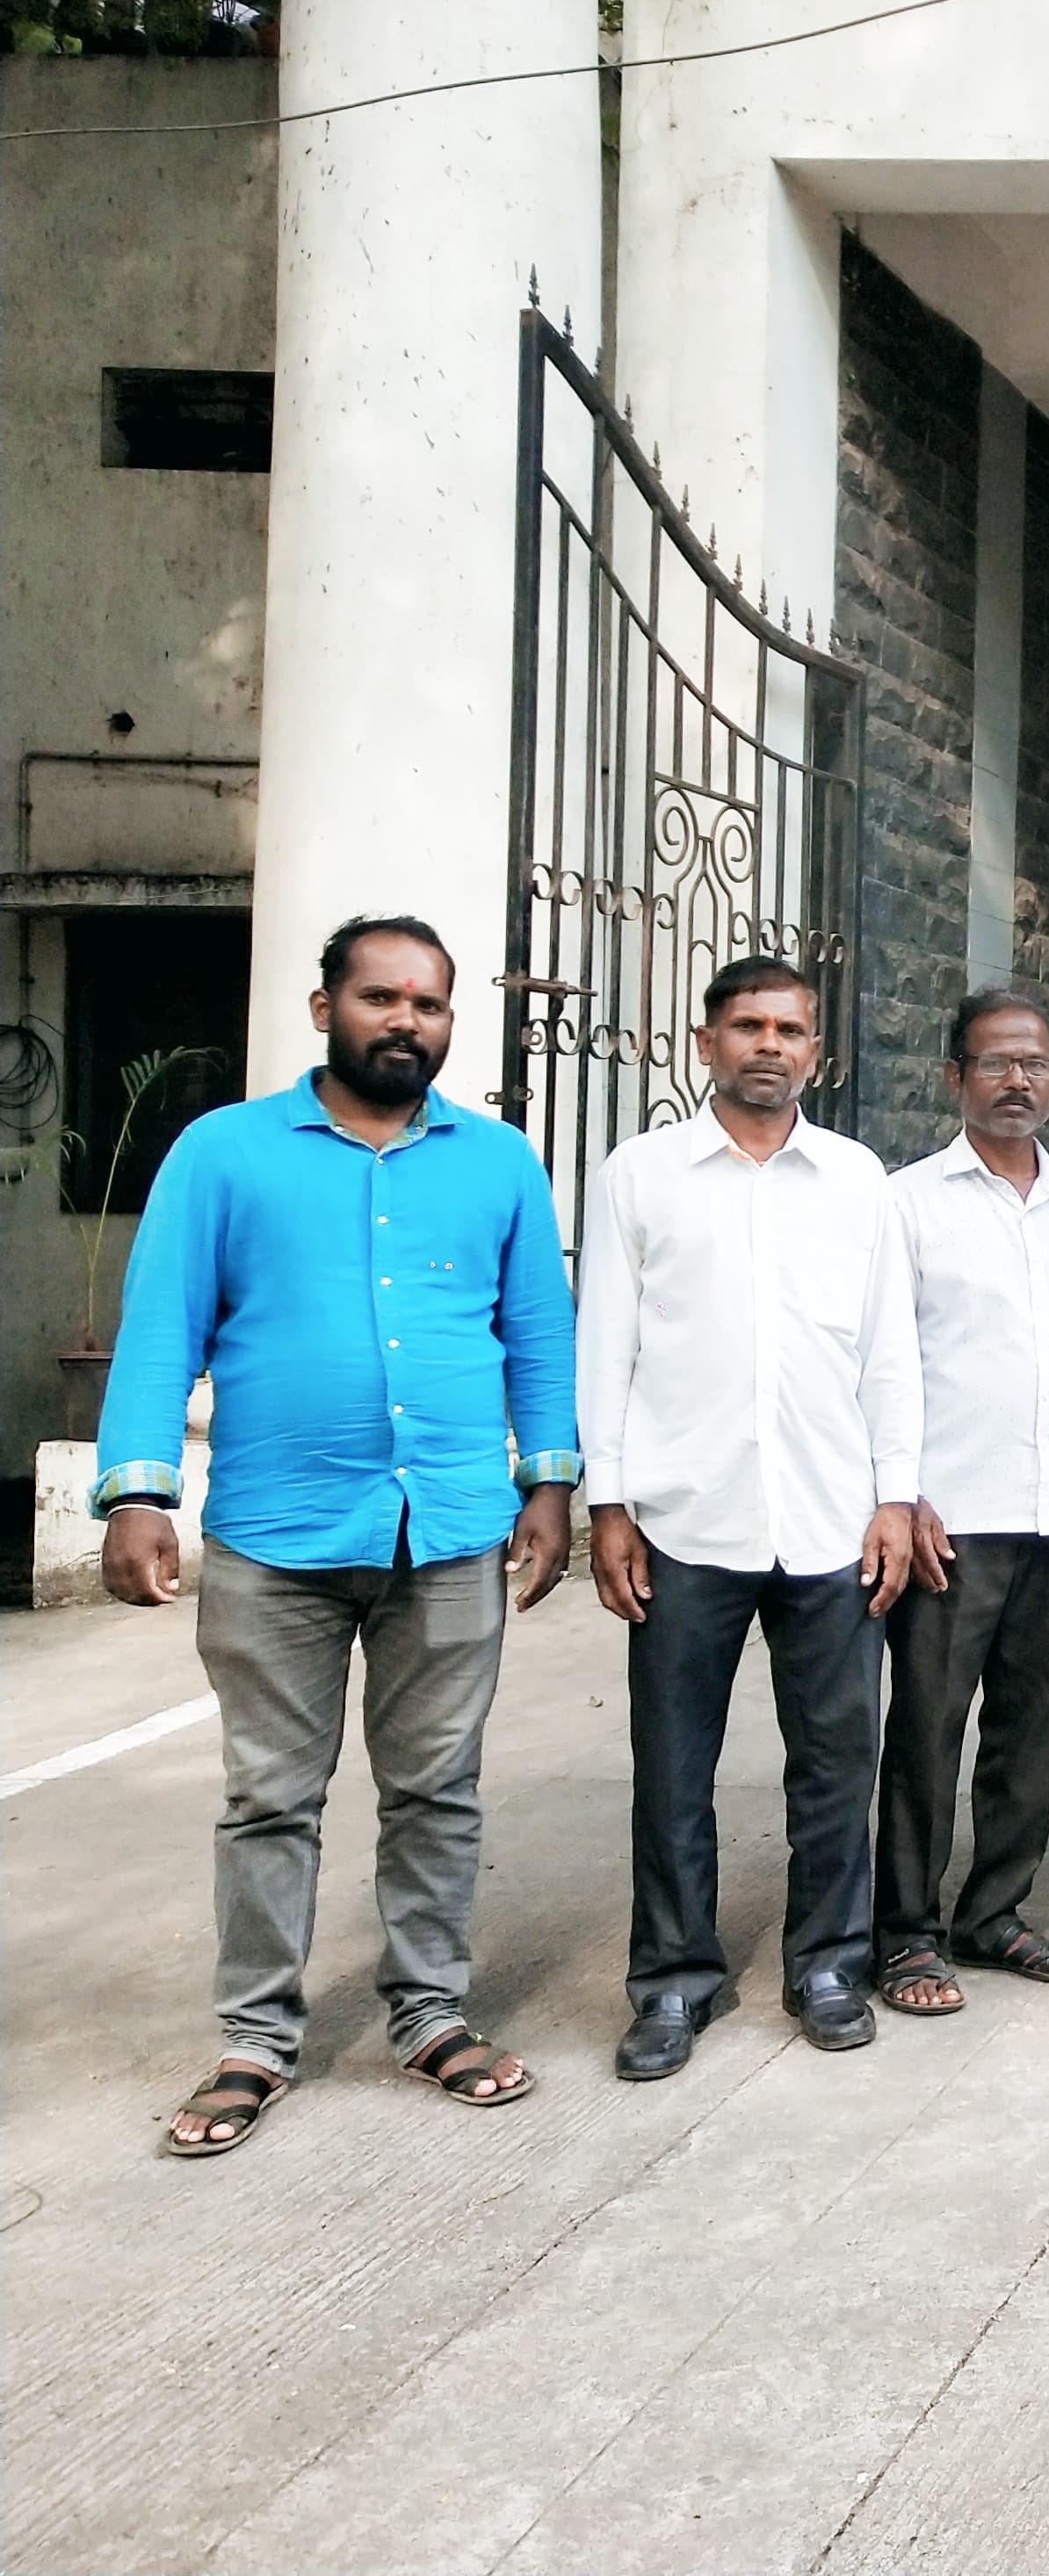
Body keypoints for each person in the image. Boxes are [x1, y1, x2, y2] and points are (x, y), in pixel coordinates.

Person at [97, 916, 576, 2157]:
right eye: (380, 998)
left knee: (437, 1790)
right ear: (325, 1009)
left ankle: (427, 2010)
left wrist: (551, 1482)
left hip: (454, 1525)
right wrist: (138, 1492)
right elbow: (161, 1326)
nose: (405, 1021)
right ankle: (256, 2037)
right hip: (276, 1532)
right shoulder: (224, 1153)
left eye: (428, 1003)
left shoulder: (498, 1162)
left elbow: (537, 1334)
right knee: (270, 1795)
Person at [579, 956, 921, 2078]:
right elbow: (608, 1347)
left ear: (816, 1051)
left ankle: (829, 1962)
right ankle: (674, 1981)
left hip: (830, 1518)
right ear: (705, 1041)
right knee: (674, 1765)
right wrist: (611, 1502)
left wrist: (895, 1495)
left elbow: (890, 1355)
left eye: (791, 1030)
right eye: (748, 1026)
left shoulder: (859, 1179)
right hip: (685, 1518)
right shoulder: (643, 1175)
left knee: (835, 1763)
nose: (769, 1045)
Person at [870, 988, 1049, 2019]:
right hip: (952, 1514)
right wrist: (902, 1491)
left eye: (1034, 1064)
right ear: (955, 1078)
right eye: (995, 1064)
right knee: (928, 1730)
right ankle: (906, 1936)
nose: (1018, 1081)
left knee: (1033, 1727)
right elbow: (883, 1359)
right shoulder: (907, 1203)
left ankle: (994, 1914)